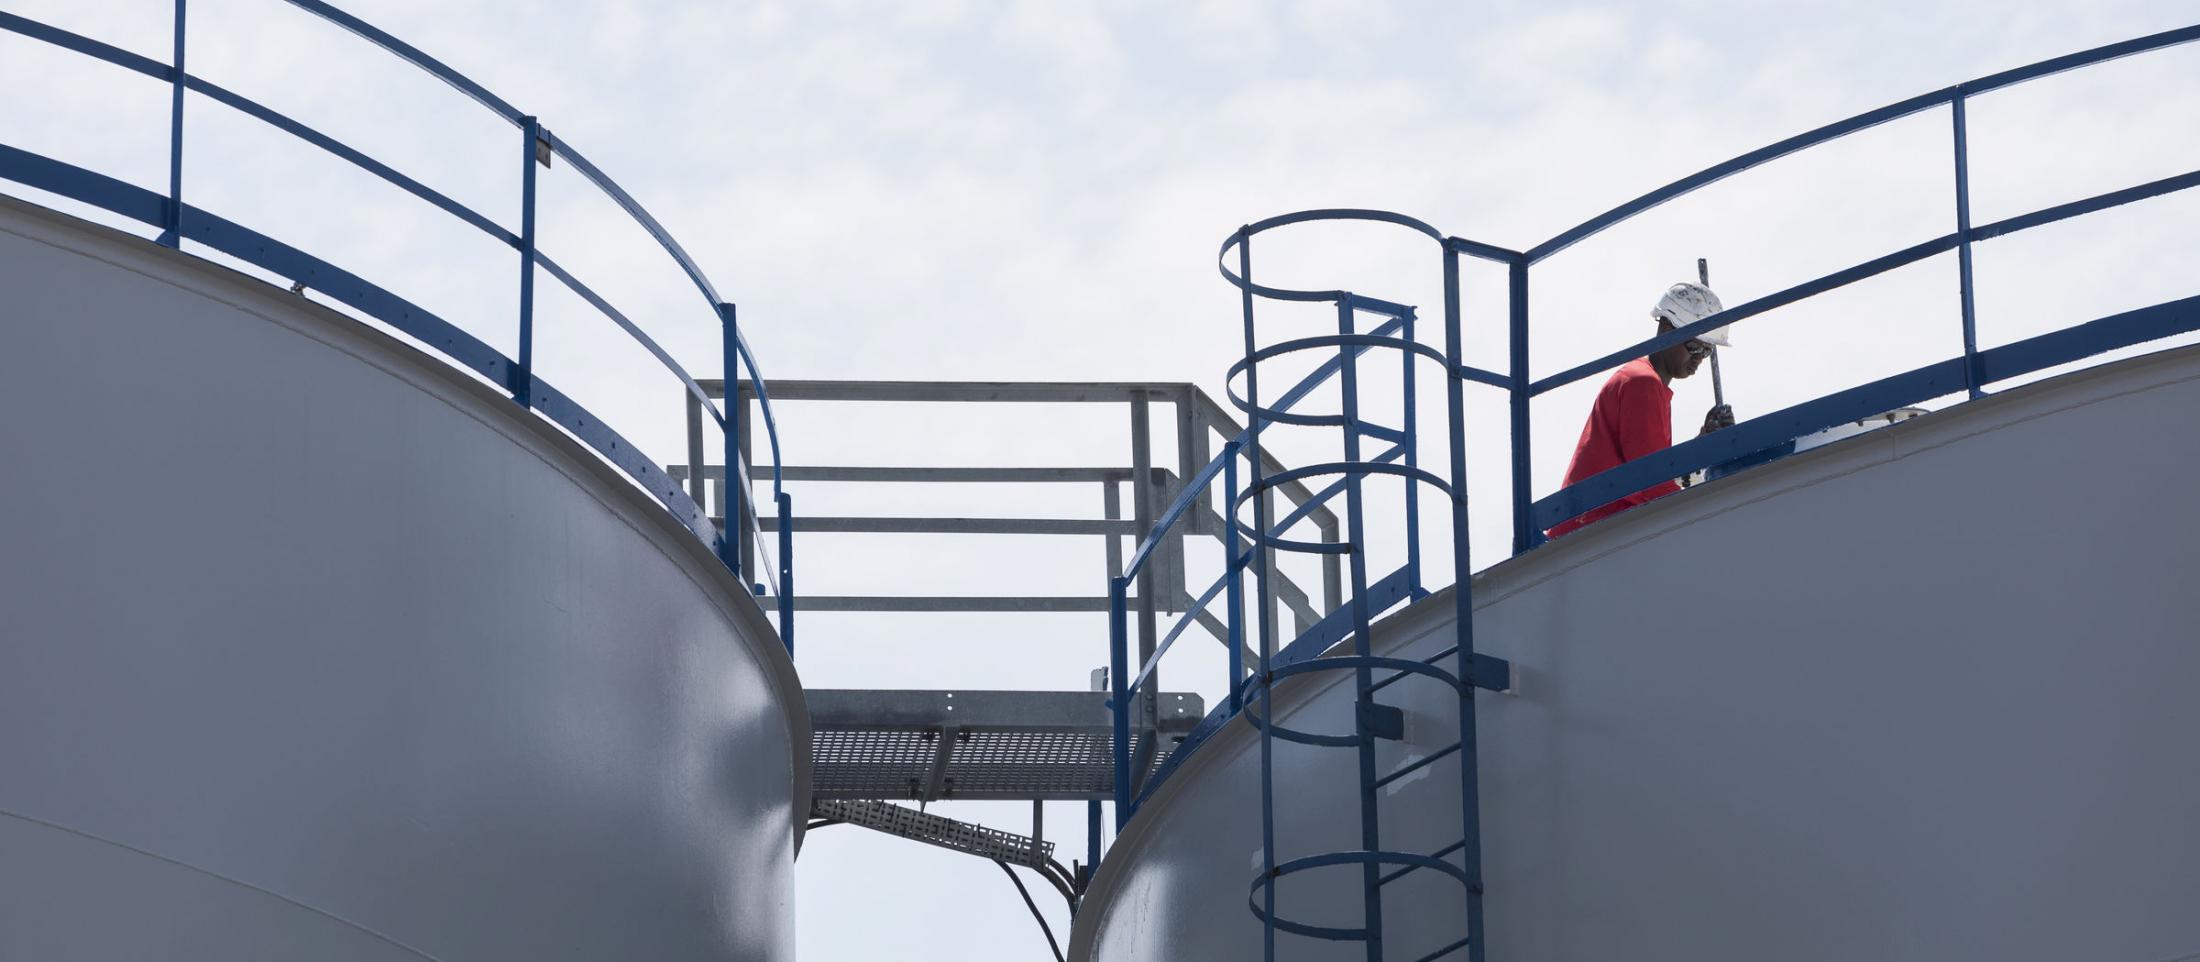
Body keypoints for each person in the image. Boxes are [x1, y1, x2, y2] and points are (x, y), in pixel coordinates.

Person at [1546, 282, 1736, 539]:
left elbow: (1650, 472)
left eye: (1706, 350)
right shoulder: (1641, 383)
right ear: (1668, 330)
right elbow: (1650, 481)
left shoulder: (1647, 384)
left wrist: (1699, 449)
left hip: (1598, 529)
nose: (1699, 359)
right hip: (1592, 533)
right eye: (1694, 347)